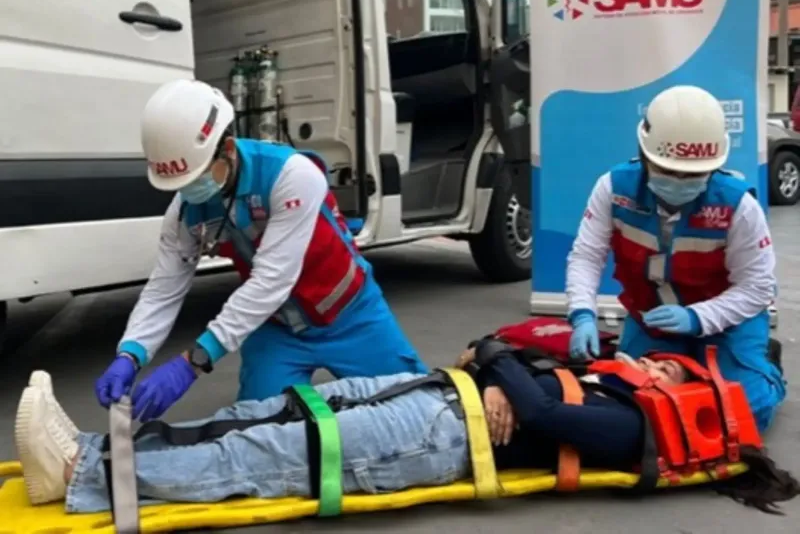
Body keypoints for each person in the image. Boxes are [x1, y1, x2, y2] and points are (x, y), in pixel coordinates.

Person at [15, 345, 798, 515]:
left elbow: (542, 414)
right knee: (268, 411)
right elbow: (511, 355)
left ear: (682, 398)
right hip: (438, 393)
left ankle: (82, 475)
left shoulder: (629, 427)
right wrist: (501, 367)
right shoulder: (610, 382)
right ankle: (96, 446)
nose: (651, 362)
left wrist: (502, 370)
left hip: (441, 438)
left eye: (668, 369)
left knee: (273, 453)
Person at [94, 79, 427, 422]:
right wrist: (130, 353)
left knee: (418, 409)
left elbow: (272, 280)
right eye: (181, 183)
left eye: (196, 176)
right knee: (259, 430)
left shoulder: (292, 175)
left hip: (351, 316)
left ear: (228, 148)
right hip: (276, 328)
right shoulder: (184, 212)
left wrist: (194, 361)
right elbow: (165, 287)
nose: (190, 190)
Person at [564, 84, 786, 432]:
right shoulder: (613, 189)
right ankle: (698, 358)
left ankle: (764, 367)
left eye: (694, 175)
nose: (680, 181)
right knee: (632, 401)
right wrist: (582, 315)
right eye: (669, 171)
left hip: (729, 323)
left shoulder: (738, 205)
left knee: (744, 414)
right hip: (652, 318)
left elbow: (757, 287)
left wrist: (697, 318)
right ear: (645, 155)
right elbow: (587, 256)